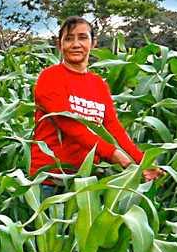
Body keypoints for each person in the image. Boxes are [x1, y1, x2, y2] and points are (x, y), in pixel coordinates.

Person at [28, 15, 164, 182]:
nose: (76, 44)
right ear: (59, 45)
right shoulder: (50, 78)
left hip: (89, 180)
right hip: (52, 179)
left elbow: (113, 128)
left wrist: (142, 160)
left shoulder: (98, 84)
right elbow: (70, 124)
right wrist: (114, 155)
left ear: (93, 43)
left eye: (83, 38)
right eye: (69, 39)